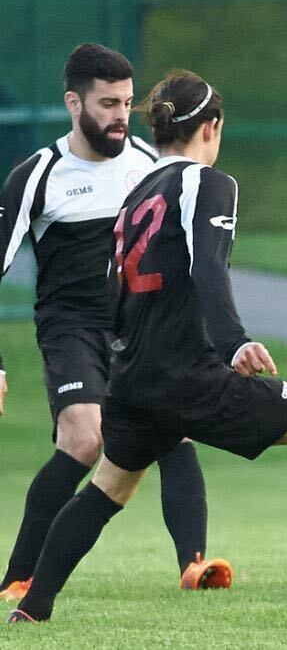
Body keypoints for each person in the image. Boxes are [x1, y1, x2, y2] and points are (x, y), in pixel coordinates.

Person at [7, 70, 287, 623]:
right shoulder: (208, 182)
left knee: (107, 489)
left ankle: (33, 607)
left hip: (134, 378)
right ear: (212, 126)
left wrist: (125, 360)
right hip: (190, 377)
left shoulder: (136, 192)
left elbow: (114, 285)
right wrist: (234, 344)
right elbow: (209, 268)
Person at [0, 44, 226, 601]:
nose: (121, 116)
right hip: (71, 326)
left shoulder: (150, 164)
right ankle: (19, 577)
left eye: (127, 103)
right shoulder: (38, 175)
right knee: (84, 438)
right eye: (107, 104)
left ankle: (194, 566)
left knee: (175, 427)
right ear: (73, 103)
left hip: (138, 327)